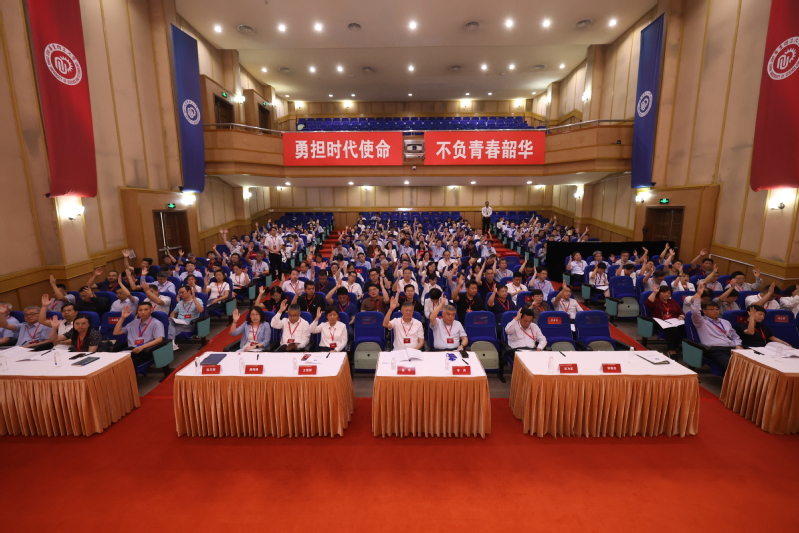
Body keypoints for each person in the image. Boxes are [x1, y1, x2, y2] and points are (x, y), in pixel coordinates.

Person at [690, 282, 742, 373]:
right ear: (704, 311)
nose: (715, 311)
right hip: (716, 350)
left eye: (717, 309)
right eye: (711, 309)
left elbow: (734, 336)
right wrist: (698, 294)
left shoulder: (725, 322)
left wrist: (738, 345)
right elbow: (695, 312)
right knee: (733, 366)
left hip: (732, 348)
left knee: (751, 365)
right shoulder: (701, 322)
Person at [113, 302, 166, 366]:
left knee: (126, 365)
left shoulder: (156, 323)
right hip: (130, 350)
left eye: (146, 310)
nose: (143, 312)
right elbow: (116, 332)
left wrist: (142, 347)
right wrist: (122, 318)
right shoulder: (134, 322)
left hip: (145, 350)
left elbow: (159, 339)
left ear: (151, 310)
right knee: (113, 362)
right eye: (140, 310)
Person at [645, 286, 685, 359]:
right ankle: (671, 350)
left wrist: (681, 317)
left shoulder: (673, 302)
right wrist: (654, 292)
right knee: (673, 329)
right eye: (664, 292)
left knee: (685, 327)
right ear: (659, 293)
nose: (667, 294)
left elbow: (681, 313)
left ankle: (684, 348)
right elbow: (648, 303)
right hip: (660, 322)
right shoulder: (656, 301)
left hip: (674, 321)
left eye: (669, 293)